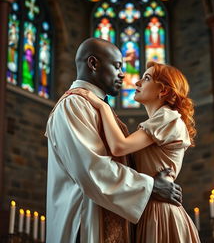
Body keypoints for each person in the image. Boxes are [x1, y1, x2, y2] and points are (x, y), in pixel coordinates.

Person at [45, 38, 183, 243]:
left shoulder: (97, 106)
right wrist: (151, 186)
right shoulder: (73, 104)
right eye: (117, 66)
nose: (123, 74)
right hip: (85, 225)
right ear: (93, 64)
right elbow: (91, 169)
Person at [68, 61, 201, 243]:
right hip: (148, 209)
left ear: (163, 91)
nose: (137, 83)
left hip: (161, 212)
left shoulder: (168, 117)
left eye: (146, 78)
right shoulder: (156, 123)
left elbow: (119, 146)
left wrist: (103, 107)